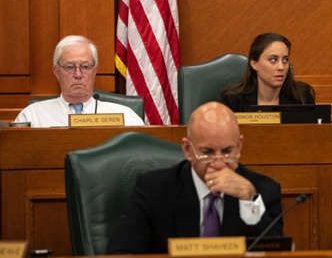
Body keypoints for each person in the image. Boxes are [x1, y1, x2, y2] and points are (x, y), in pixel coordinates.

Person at [107, 102, 283, 254]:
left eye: (227, 151)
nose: (218, 162)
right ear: (187, 150)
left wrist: (249, 201)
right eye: (207, 152)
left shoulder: (263, 191)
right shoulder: (154, 190)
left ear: (239, 147)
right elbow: (121, 251)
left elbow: (277, 253)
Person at [14, 35, 144, 127]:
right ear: (56, 72)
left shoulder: (125, 115)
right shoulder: (33, 116)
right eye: (70, 67)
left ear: (95, 71)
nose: (78, 74)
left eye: (85, 67)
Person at [221, 33, 315, 110]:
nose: (281, 67)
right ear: (254, 64)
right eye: (273, 60)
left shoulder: (302, 97)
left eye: (285, 60)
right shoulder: (233, 100)